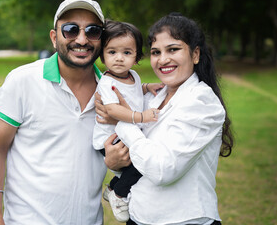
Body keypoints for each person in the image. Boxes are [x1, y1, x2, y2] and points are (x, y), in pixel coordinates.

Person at [0, 0, 130, 225]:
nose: (81, 39)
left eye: (92, 31)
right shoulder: (22, 81)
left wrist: (115, 162)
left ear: (101, 39)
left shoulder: (113, 93)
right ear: (54, 37)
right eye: (70, 30)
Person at [95, 12, 234, 225]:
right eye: (155, 52)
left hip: (183, 220)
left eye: (173, 49)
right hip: (140, 217)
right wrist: (113, 162)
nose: (163, 59)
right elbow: (139, 154)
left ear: (195, 54)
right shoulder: (155, 97)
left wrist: (123, 121)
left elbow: (162, 170)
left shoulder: (201, 102)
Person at [92, 19, 162, 222]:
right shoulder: (107, 82)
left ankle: (113, 187)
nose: (119, 59)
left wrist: (147, 87)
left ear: (136, 56)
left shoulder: (132, 75)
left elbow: (133, 92)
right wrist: (140, 117)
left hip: (124, 135)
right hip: (110, 138)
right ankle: (119, 194)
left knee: (138, 165)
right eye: (112, 52)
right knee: (140, 165)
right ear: (103, 56)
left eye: (127, 53)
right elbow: (113, 109)